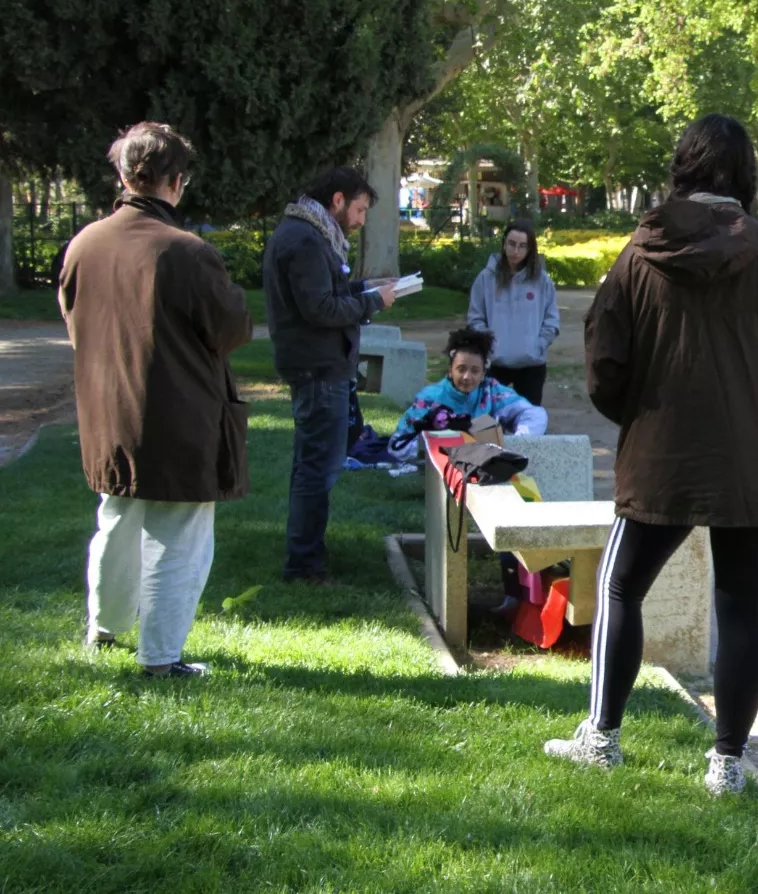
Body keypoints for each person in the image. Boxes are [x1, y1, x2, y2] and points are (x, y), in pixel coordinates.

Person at [545, 114, 758, 795]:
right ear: (745, 176)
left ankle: (603, 736)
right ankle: (727, 763)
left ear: (683, 165)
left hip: (664, 451)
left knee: (621, 586)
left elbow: (605, 359)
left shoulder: (640, 253)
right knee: (742, 607)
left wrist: (640, 416)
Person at [59, 122, 253, 677]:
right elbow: (231, 328)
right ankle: (161, 658)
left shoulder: (85, 244)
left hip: (108, 409)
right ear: (176, 181)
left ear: (124, 175)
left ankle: (104, 627)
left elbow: (73, 320)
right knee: (178, 534)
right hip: (177, 414)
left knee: (117, 519)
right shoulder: (187, 252)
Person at [263, 167, 397, 583]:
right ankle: (304, 564)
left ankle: (306, 552)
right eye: (359, 210)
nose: (360, 220)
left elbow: (327, 293)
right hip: (319, 369)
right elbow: (320, 309)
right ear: (337, 200)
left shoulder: (308, 233)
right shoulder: (305, 239)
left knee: (313, 465)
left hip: (320, 365)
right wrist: (373, 302)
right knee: (317, 470)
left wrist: (366, 288)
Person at [387, 327, 548, 457]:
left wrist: (513, 443)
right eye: (461, 369)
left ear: (483, 374)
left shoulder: (491, 391)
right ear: (450, 370)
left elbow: (536, 415)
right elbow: (397, 445)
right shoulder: (429, 398)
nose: (467, 377)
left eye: (475, 371)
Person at [467, 218, 560, 406]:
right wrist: (489, 344)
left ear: (530, 249)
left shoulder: (541, 280)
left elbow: (551, 320)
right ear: (504, 244)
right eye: (511, 244)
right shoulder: (486, 278)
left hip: (531, 365)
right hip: (495, 364)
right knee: (486, 418)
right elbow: (475, 318)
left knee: (528, 420)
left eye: (522, 246)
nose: (516, 251)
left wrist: (538, 345)